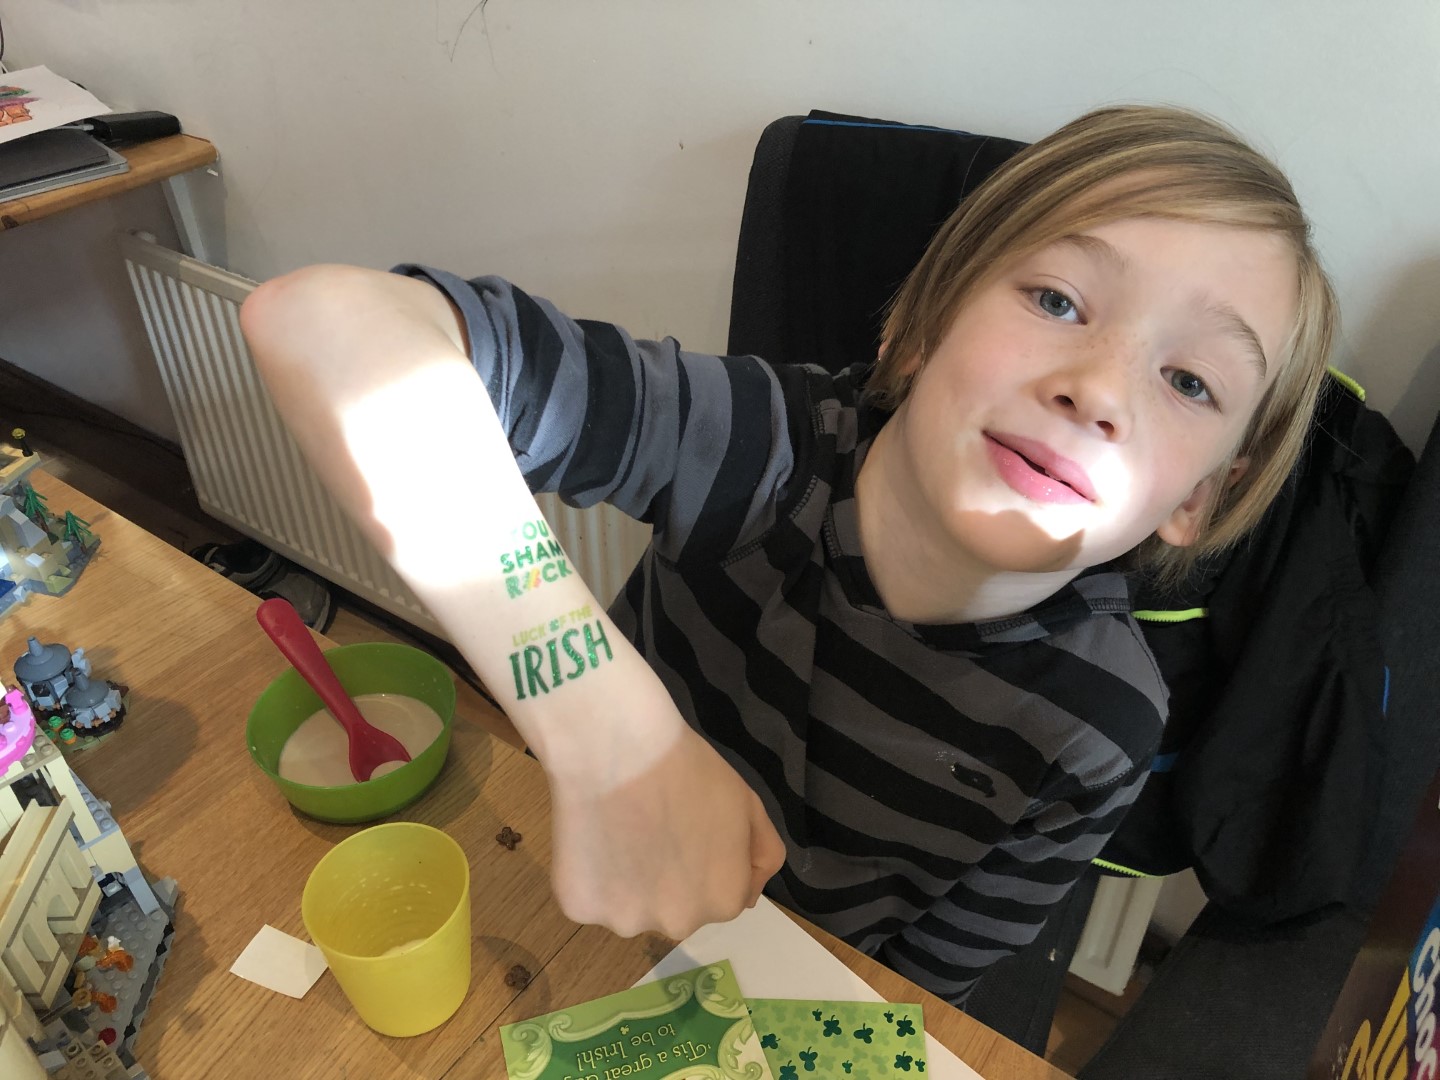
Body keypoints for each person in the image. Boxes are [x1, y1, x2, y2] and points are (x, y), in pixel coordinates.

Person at [239, 104, 1336, 1005]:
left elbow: (911, 998)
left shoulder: (1101, 732)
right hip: (569, 892)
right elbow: (323, 325)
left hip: (796, 997)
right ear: (921, 324)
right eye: (1057, 299)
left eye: (1190, 381)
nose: (1098, 389)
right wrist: (604, 726)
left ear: (1200, 498)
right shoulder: (759, 446)